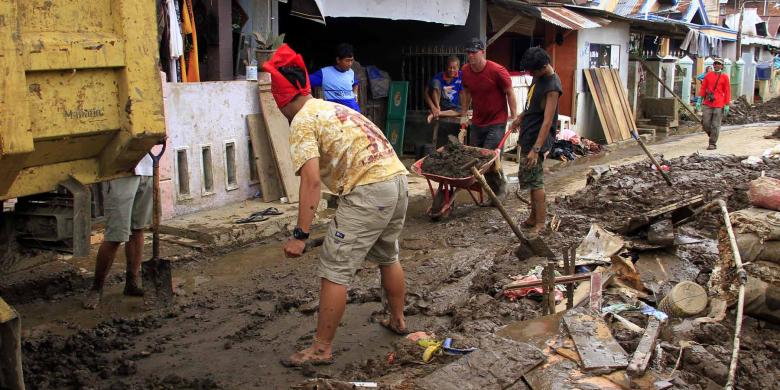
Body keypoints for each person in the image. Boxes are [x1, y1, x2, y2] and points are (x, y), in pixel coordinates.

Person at [263, 45, 409, 367]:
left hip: (370, 189)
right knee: (388, 254)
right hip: (397, 180)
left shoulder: (301, 121)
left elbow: (311, 181)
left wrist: (300, 235)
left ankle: (320, 349)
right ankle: (398, 319)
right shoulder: (330, 108)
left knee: (334, 268)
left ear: (279, 99)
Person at [83, 156, 153, 309]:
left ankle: (131, 283)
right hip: (122, 172)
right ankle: (96, 288)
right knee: (115, 235)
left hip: (148, 169)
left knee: (137, 229)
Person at [510, 47, 562, 234]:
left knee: (536, 181)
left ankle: (540, 222)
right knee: (530, 180)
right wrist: (520, 117)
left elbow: (548, 121)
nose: (531, 74)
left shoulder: (553, 87)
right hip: (529, 133)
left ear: (543, 66)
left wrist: (536, 149)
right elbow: (531, 105)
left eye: (533, 71)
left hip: (538, 139)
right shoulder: (538, 77)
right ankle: (533, 217)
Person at [459, 38, 517, 198]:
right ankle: (494, 188)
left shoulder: (497, 70)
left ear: (482, 52)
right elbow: (466, 93)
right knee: (476, 158)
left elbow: (510, 92)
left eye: (474, 52)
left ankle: (499, 191)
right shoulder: (465, 71)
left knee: (489, 157)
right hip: (478, 121)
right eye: (468, 53)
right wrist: (464, 115)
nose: (470, 56)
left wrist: (514, 117)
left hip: (497, 121)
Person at [309, 43, 360, 112]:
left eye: (351, 60)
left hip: (354, 112)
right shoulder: (324, 73)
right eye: (347, 60)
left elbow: (355, 83)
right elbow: (305, 82)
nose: (350, 64)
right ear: (338, 60)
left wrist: (355, 95)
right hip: (336, 115)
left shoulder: (351, 72)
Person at [697, 58, 731, 150]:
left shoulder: (725, 77)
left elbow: (727, 91)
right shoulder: (708, 75)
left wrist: (727, 104)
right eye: (715, 64)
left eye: (718, 64)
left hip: (719, 103)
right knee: (705, 123)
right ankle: (712, 134)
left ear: (722, 66)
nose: (716, 65)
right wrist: (699, 99)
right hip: (708, 102)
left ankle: (712, 143)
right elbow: (703, 87)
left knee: (715, 124)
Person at [425, 56, 463, 123]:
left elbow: (463, 93)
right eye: (450, 67)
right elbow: (426, 93)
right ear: (446, 67)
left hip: (452, 108)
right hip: (440, 105)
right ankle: (437, 109)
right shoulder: (439, 76)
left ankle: (437, 113)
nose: (452, 70)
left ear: (458, 68)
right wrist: (433, 107)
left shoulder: (461, 76)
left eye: (454, 68)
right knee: (435, 82)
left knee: (463, 110)